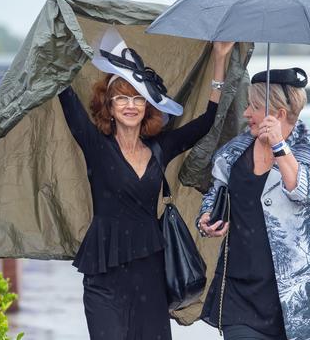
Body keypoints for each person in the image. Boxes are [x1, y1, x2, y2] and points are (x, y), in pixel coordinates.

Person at [57, 26, 234, 340]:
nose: (130, 105)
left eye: (138, 99)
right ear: (109, 106)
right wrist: (62, 25)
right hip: (104, 273)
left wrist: (220, 58)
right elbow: (63, 88)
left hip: (149, 272)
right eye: (121, 98)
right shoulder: (95, 144)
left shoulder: (160, 148)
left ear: (148, 107)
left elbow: (207, 121)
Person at [196, 68, 310, 340]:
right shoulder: (234, 152)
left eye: (254, 107)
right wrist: (206, 216)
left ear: (279, 114)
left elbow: (307, 193)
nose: (246, 113)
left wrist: (280, 145)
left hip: (299, 296)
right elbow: (216, 192)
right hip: (241, 291)